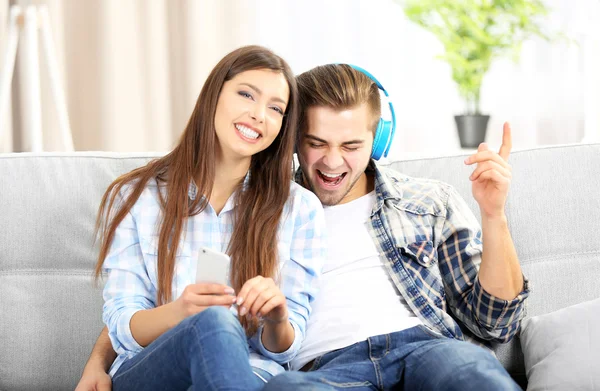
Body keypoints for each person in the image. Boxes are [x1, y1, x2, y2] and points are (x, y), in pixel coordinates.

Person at [76, 63, 529, 391]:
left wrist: (494, 215)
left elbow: (495, 323)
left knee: (474, 375)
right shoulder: (270, 206)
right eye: (316, 144)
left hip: (427, 348)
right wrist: (97, 360)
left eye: (351, 145)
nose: (333, 162)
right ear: (290, 140)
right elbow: (145, 294)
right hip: (323, 371)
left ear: (378, 140)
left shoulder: (427, 202)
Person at [83, 45, 326, 391]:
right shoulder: (139, 196)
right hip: (155, 372)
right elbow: (123, 324)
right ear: (214, 95)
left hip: (250, 373)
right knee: (213, 323)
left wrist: (277, 317)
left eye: (276, 108)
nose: (259, 114)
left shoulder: (299, 209)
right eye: (246, 94)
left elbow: (287, 347)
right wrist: (180, 312)